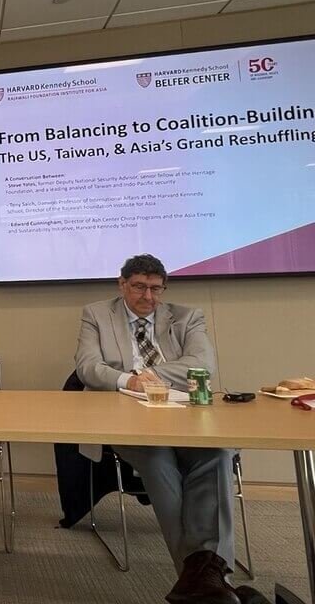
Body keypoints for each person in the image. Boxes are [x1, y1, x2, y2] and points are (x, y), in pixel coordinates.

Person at [76, 254, 267, 604]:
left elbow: (202, 364)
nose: (148, 296)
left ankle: (200, 584)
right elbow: (88, 367)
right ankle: (211, 579)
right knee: (158, 459)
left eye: (156, 288)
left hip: (184, 413)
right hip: (124, 416)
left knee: (216, 454)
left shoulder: (187, 317)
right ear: (122, 284)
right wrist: (129, 382)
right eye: (139, 287)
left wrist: (149, 375)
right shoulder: (97, 314)